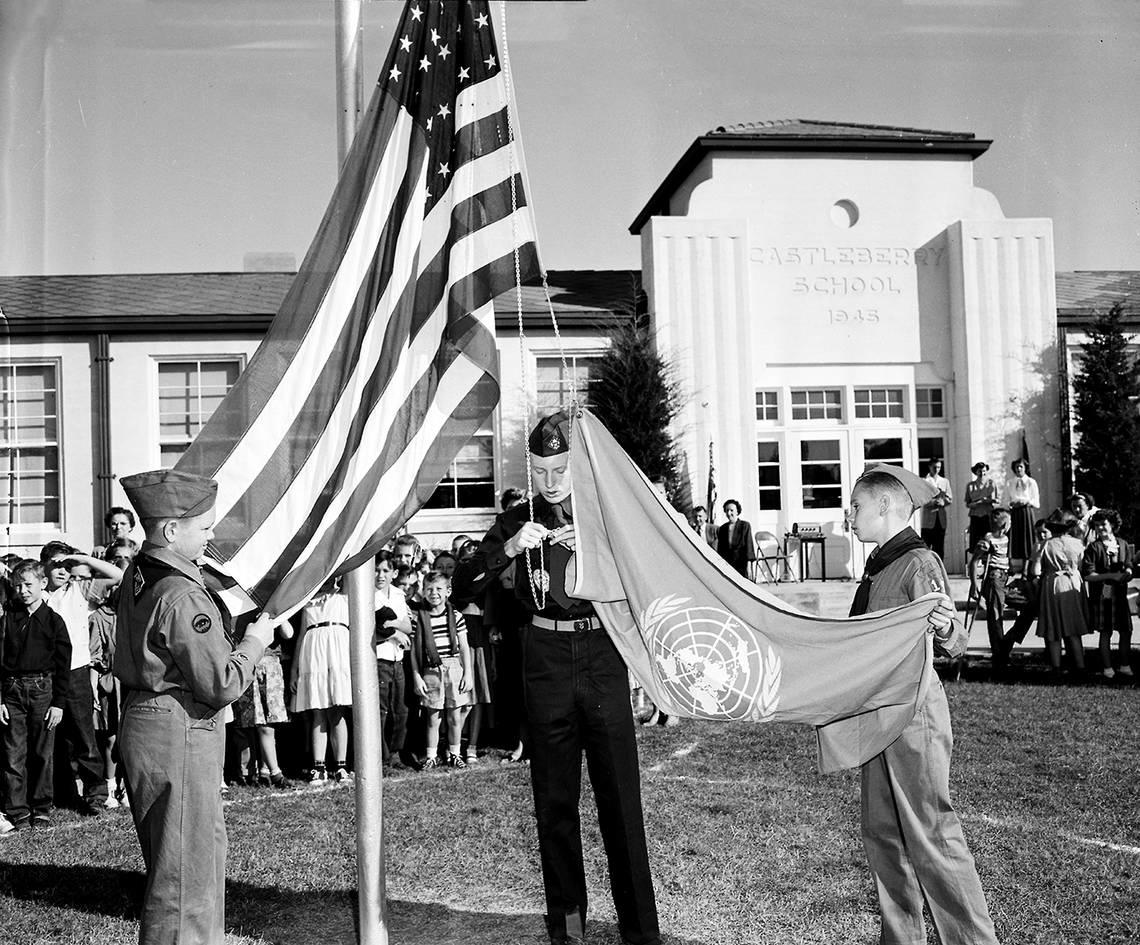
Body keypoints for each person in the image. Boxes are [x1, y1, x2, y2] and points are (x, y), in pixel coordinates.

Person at [452, 410, 660, 945]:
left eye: (560, 468)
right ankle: (568, 930)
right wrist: (511, 548)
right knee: (555, 803)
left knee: (621, 802)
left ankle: (641, 932)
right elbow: (463, 587)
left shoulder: (605, 511)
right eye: (541, 469)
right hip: (543, 656)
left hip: (600, 652)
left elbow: (653, 567)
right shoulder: (515, 520)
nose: (550, 481)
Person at [114, 468, 274, 945]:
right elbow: (222, 681)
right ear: (170, 530)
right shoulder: (181, 592)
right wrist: (254, 643)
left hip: (150, 719)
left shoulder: (142, 573)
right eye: (203, 527)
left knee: (186, 861)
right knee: (185, 874)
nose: (211, 536)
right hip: (179, 726)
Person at [846, 464, 998, 945]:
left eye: (856, 506)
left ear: (886, 505)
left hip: (913, 715)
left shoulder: (918, 562)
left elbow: (953, 643)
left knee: (931, 834)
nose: (849, 516)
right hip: (878, 716)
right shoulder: (880, 564)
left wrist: (948, 627)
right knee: (883, 836)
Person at [41, 540, 123, 814]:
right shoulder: (38, 596)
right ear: (44, 567)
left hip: (76, 672)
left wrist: (81, 559)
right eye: (56, 565)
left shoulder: (80, 590)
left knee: (84, 737)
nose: (62, 571)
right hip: (45, 674)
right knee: (53, 740)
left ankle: (95, 797)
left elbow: (116, 574)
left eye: (67, 565)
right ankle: (63, 794)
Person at [0, 560, 72, 830]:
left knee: (43, 753)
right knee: (13, 753)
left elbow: (64, 666)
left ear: (43, 584)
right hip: (12, 691)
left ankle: (41, 808)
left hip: (43, 691)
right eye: (18, 585)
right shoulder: (8, 619)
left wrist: (58, 704)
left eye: (28, 584)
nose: (23, 590)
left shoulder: (54, 622)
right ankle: (16, 810)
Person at [290, 577, 353, 783]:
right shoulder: (307, 600)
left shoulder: (343, 596)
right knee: (318, 711)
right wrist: (294, 670)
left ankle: (341, 766)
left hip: (337, 652)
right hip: (313, 653)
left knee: (337, 711)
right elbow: (300, 635)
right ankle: (319, 766)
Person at [409, 571, 473, 769]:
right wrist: (417, 676)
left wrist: (468, 673)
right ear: (423, 592)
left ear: (448, 591)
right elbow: (413, 652)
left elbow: (464, 647)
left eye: (438, 589)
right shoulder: (419, 618)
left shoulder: (456, 616)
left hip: (453, 667)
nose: (434, 593)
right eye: (429, 589)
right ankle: (431, 755)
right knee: (433, 717)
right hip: (430, 671)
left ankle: (454, 753)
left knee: (454, 715)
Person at [1081, 509, 1134, 679]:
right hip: (1104, 593)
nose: (1100, 528)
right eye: (1096, 525)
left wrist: (1127, 570)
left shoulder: (1122, 543)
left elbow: (1128, 564)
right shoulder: (1094, 547)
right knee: (1106, 631)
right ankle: (1107, 667)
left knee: (1125, 630)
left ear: (1112, 524)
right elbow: (1089, 575)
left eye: (1103, 524)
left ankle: (1125, 665)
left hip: (1120, 593)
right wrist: (1112, 575)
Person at [372, 551, 412, 768]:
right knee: (380, 709)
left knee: (400, 708)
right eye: (377, 570)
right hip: (379, 658)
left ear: (394, 573)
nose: (380, 575)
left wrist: (392, 626)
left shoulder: (397, 594)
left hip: (397, 659)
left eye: (386, 570)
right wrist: (395, 632)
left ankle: (396, 752)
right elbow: (373, 629)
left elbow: (406, 625)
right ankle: (380, 755)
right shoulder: (367, 595)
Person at [1037, 509, 1088, 676]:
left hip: (1054, 582)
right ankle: (1080, 665)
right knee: (1074, 628)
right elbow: (1081, 567)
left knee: (1054, 627)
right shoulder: (1078, 543)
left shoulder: (1047, 544)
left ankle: (1056, 667)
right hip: (1074, 583)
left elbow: (1035, 569)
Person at [978, 507, 1012, 672]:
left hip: (1004, 578)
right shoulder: (988, 538)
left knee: (999, 614)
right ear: (1005, 524)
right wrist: (973, 584)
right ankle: (999, 657)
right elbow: (975, 560)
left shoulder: (1005, 538)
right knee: (996, 616)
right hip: (994, 578)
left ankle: (1004, 647)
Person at [1005, 459, 1040, 570]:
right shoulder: (1010, 482)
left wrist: (1027, 502)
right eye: (1016, 467)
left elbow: (1036, 501)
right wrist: (1012, 504)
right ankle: (1011, 567)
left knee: (1027, 538)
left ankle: (1025, 569)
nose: (1019, 469)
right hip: (1015, 512)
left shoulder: (1031, 482)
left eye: (1021, 467)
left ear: (1025, 468)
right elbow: (1005, 500)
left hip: (1026, 511)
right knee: (1013, 537)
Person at [919, 458, 952, 559]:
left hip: (940, 519)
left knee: (939, 548)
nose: (937, 469)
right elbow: (921, 499)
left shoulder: (944, 481)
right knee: (926, 548)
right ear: (929, 467)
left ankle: (939, 571)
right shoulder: (924, 481)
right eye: (934, 467)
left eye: (939, 467)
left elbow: (949, 498)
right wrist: (933, 502)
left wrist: (943, 502)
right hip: (928, 520)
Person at [716, 499, 756, 579]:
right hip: (728, 563)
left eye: (731, 510)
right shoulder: (722, 528)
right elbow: (720, 549)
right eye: (727, 510)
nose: (729, 513)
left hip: (741, 563)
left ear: (737, 512)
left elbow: (749, 546)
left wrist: (749, 567)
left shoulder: (744, 526)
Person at [964, 461, 997, 553]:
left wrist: (985, 500)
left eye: (984, 471)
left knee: (988, 541)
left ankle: (988, 565)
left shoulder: (991, 484)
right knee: (976, 544)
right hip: (975, 516)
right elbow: (968, 503)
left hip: (987, 515)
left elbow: (995, 499)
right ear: (976, 472)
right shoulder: (971, 486)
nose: (982, 473)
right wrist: (978, 502)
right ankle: (976, 565)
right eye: (980, 471)